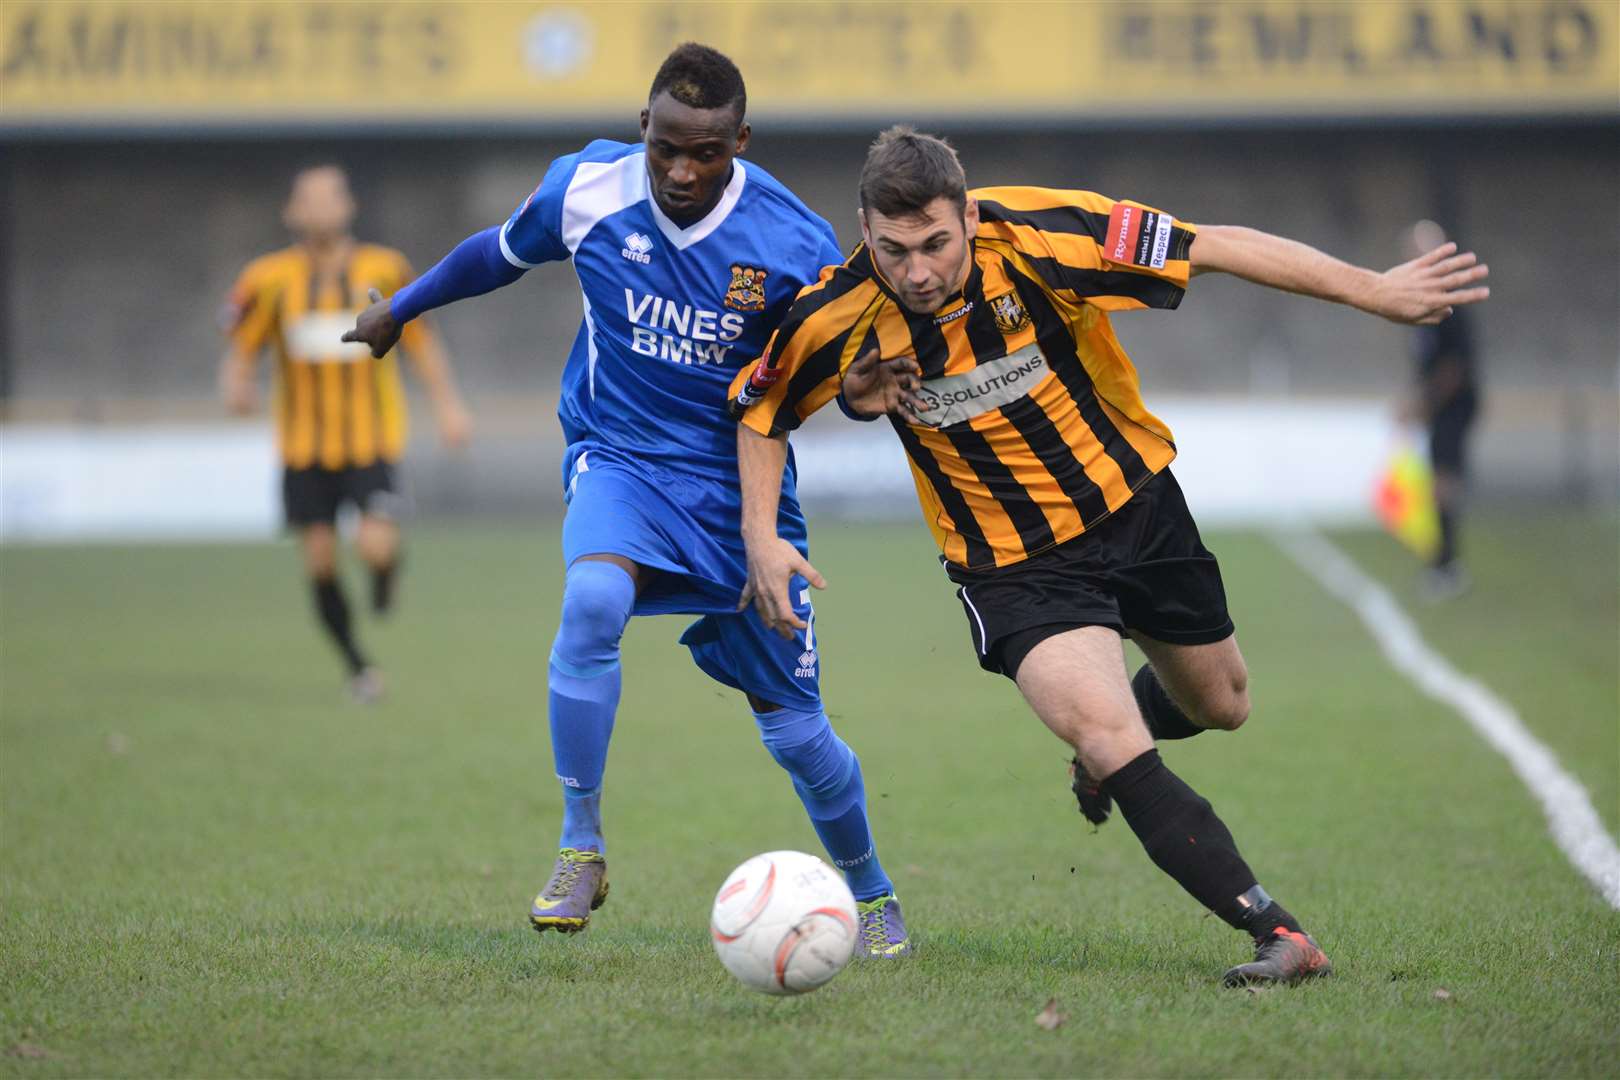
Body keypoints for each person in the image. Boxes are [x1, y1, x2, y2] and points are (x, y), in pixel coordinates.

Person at [731, 127, 1489, 986]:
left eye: (937, 243)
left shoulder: (1051, 233)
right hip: (1012, 565)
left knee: (1222, 702)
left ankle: (1107, 767)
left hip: (1136, 510)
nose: (917, 271)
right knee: (1108, 732)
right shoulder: (838, 312)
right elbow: (764, 409)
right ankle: (1278, 933)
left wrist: (1373, 290)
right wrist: (764, 536)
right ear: (865, 231)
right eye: (893, 249)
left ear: (970, 215)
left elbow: (1215, 246)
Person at [341, 45, 908, 954]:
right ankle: (581, 845)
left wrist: (857, 391)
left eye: (708, 153)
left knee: (799, 733)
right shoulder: (588, 189)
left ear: (742, 141)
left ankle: (875, 898)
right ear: (644, 127)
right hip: (620, 459)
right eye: (668, 148)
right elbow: (498, 252)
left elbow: (826, 376)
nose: (683, 171)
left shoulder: (796, 242)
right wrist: (399, 309)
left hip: (738, 495)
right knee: (592, 600)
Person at [220, 164, 472, 703]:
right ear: (291, 211)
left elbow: (423, 341)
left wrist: (449, 406)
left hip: (371, 441)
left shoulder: (384, 267)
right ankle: (359, 667)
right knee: (319, 560)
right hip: (302, 448)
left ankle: (385, 577)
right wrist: (236, 385)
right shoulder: (267, 279)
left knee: (375, 546)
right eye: (307, 199)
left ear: (348, 207)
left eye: (329, 197)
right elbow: (242, 349)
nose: (318, 208)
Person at [1402, 219, 1483, 599]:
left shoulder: (1450, 300)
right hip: (1440, 404)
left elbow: (1455, 367)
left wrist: (1424, 403)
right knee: (1437, 481)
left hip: (1455, 404)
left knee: (1444, 483)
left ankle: (1447, 565)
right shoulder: (1418, 301)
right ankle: (1443, 561)